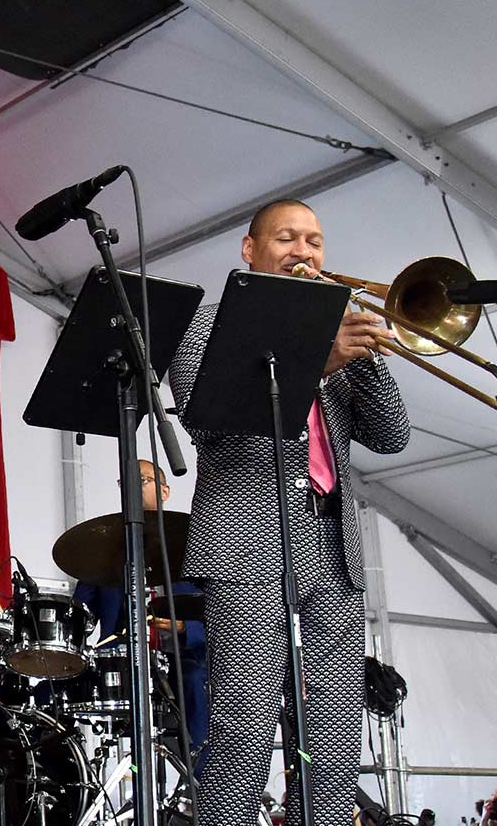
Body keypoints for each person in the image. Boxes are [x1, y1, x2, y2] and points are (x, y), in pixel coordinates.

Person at [169, 198, 409, 826]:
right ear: (250, 251)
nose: (305, 251)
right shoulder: (208, 324)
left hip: (332, 546)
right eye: (287, 238)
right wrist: (318, 362)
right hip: (247, 544)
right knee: (243, 732)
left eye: (315, 241)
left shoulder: (336, 331)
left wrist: (369, 358)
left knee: (333, 743)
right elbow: (214, 425)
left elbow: (392, 437)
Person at [71, 459, 209, 756]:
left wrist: (186, 629)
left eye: (142, 480)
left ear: (165, 491)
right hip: (123, 659)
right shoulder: (103, 546)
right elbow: (79, 613)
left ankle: (198, 784)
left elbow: (219, 610)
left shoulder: (191, 542)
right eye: (125, 483)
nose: (132, 488)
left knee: (196, 680)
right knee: (52, 689)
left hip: (182, 654)